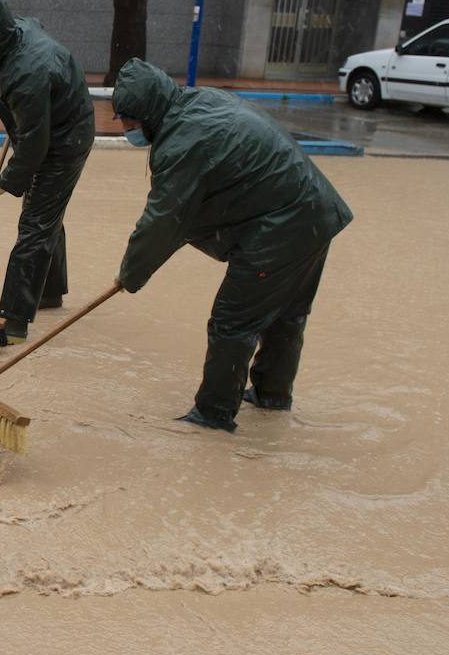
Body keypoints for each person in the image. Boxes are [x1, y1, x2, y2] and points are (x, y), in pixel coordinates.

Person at [110, 58, 354, 433]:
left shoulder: (182, 143)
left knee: (232, 322)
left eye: (130, 121)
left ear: (148, 112)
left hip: (283, 225)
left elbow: (163, 220)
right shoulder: (197, 103)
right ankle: (272, 396)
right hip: (315, 211)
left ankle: (213, 415)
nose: (128, 130)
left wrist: (130, 274)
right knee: (286, 313)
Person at [0, 0, 95, 344]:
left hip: (66, 140)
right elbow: (36, 25)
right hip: (50, 122)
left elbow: (36, 145)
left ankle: (13, 323)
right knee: (47, 211)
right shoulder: (12, 37)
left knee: (35, 223)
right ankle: (49, 294)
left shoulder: (27, 76)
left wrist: (3, 182)